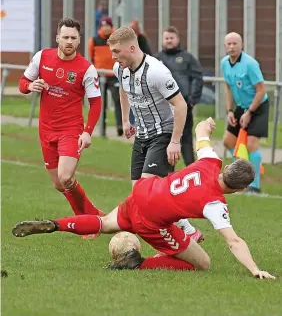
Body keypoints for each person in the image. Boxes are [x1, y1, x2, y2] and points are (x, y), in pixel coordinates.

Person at [12, 117, 275, 280]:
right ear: (239, 189)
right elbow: (234, 241)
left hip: (142, 193)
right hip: (152, 219)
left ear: (226, 167)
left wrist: (206, 124)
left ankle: (56, 224)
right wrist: (254, 269)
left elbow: (200, 133)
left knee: (104, 224)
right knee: (202, 263)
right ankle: (138, 264)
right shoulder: (215, 204)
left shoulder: (211, 160)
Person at [109, 26, 202, 241]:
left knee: (146, 192)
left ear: (131, 48)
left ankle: (177, 237)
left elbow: (181, 106)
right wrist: (125, 119)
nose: (113, 56)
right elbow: (123, 90)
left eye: (116, 51)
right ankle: (187, 228)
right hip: (142, 135)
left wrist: (175, 142)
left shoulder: (156, 71)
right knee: (139, 195)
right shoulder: (120, 68)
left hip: (163, 134)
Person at [18, 17, 104, 222]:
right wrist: (30, 87)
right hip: (46, 129)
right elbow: (23, 82)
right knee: (59, 184)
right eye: (65, 37)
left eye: (73, 38)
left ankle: (86, 221)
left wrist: (87, 131)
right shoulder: (42, 57)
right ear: (57, 38)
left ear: (79, 41)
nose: (69, 41)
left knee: (66, 177)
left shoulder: (86, 68)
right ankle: (93, 214)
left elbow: (96, 103)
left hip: (71, 130)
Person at [221, 32, 269, 194]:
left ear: (242, 46)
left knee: (251, 144)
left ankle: (254, 187)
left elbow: (261, 90)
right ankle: (244, 174)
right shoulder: (224, 63)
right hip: (241, 108)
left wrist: (249, 113)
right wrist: (229, 110)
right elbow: (227, 87)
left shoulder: (250, 64)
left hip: (258, 107)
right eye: (229, 44)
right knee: (228, 141)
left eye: (235, 43)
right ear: (225, 46)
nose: (232, 46)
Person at [155, 26, 203, 166]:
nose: (169, 41)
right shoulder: (156, 59)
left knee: (186, 140)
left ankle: (191, 171)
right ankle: (168, 174)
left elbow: (197, 78)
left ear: (177, 39)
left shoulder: (187, 58)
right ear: (163, 40)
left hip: (183, 106)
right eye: (166, 38)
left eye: (171, 38)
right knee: (165, 140)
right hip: (163, 109)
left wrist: (192, 100)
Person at [88, 16, 123, 137]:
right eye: (103, 26)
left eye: (107, 25)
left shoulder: (117, 39)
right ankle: (102, 127)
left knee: (118, 100)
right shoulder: (94, 40)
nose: (106, 28)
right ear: (100, 27)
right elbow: (91, 55)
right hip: (100, 75)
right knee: (101, 103)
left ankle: (120, 125)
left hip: (114, 74)